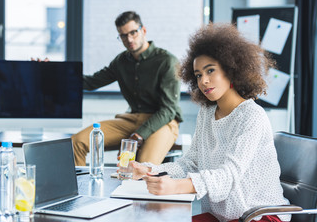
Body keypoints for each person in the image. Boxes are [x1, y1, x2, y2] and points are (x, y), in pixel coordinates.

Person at [131, 23, 291, 222]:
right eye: (198, 75)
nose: (203, 81)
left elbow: (229, 175)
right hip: (223, 216)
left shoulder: (252, 116)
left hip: (259, 215)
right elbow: (192, 162)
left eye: (210, 71)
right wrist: (150, 170)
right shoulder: (207, 112)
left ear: (231, 70)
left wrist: (178, 186)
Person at [72, 11, 183, 166]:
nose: (129, 39)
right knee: (76, 142)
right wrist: (53, 71)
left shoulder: (167, 61)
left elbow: (168, 110)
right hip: (132, 119)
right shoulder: (121, 61)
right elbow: (90, 83)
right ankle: (83, 188)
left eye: (133, 33)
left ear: (143, 31)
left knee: (141, 167)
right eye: (123, 35)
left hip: (163, 121)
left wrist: (137, 136)